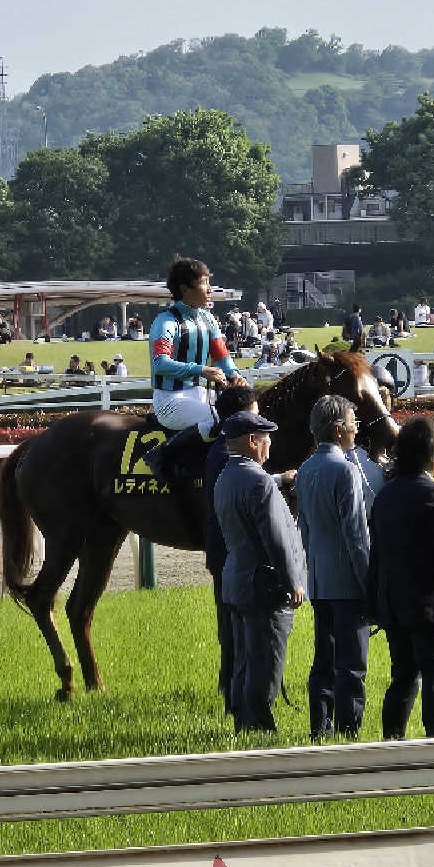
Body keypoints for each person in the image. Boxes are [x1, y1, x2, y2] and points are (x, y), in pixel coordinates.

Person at [368, 417, 434, 738]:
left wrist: (375, 602)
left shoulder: (385, 495)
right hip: (430, 608)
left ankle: (391, 741)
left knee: (402, 677)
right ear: (431, 456)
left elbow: (377, 555)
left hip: (394, 605)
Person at [205, 386, 297, 715]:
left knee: (244, 660)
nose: (270, 443)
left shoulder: (225, 476)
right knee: (266, 664)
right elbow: (274, 538)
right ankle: (258, 728)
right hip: (262, 584)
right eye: (266, 437)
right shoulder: (259, 482)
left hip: (237, 579)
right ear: (252, 442)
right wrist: (292, 581)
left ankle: (243, 721)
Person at [295, 395, 371, 739]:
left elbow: (306, 531)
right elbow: (357, 536)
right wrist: (369, 583)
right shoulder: (345, 470)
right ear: (339, 429)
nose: (357, 429)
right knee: (351, 664)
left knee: (323, 660)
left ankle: (319, 727)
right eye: (353, 423)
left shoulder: (306, 469)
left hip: (320, 580)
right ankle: (348, 732)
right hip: (348, 583)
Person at [145, 257, 245, 481]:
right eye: (204, 283)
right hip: (170, 400)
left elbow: (222, 358)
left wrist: (236, 376)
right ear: (184, 288)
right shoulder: (165, 321)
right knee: (220, 422)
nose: (210, 289)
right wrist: (200, 370)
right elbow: (160, 363)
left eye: (209, 282)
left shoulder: (208, 319)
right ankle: (162, 454)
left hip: (200, 395)